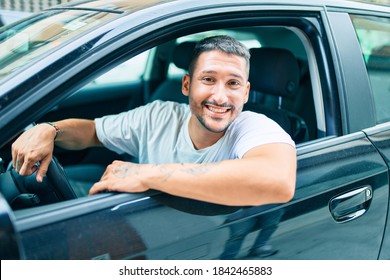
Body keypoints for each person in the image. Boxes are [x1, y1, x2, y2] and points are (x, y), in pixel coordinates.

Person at [11, 35, 297, 207]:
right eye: (208, 80)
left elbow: (277, 180)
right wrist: (50, 130)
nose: (220, 97)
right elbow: (92, 132)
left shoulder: (254, 126)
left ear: (245, 92)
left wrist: (146, 174)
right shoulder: (158, 115)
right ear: (186, 85)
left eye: (233, 84)